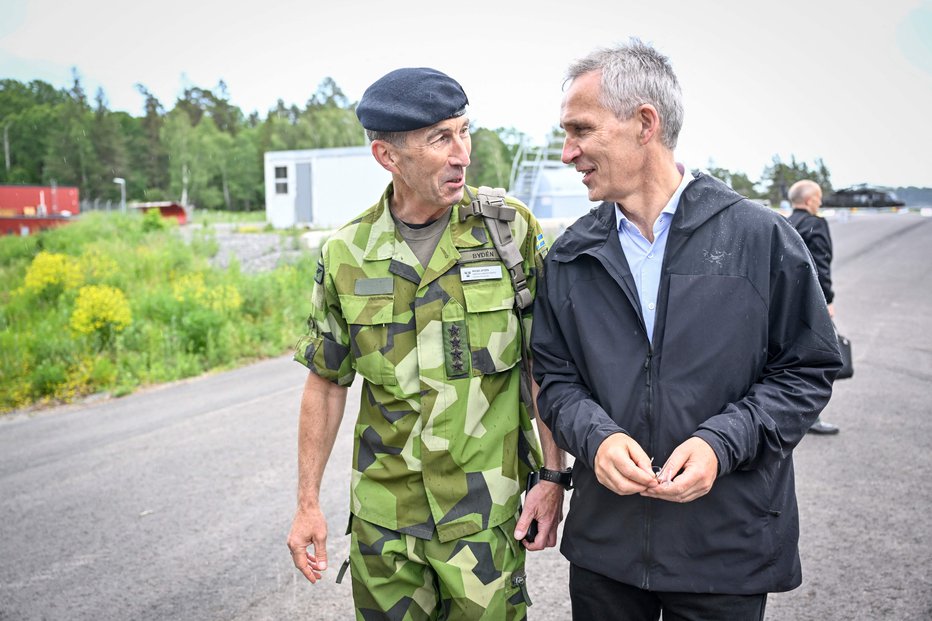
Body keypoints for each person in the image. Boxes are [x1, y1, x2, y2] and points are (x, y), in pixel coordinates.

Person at [530, 40, 842, 620]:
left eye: (582, 130)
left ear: (645, 123)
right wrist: (595, 437)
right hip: (607, 557)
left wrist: (722, 443)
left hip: (725, 552)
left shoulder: (762, 239)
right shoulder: (570, 255)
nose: (568, 152)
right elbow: (555, 378)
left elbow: (807, 371)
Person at [286, 67, 566, 620]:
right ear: (388, 157)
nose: (462, 153)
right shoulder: (347, 253)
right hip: (384, 523)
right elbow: (325, 382)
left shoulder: (508, 231)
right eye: (441, 138)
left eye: (465, 131)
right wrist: (307, 505)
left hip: (484, 519)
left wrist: (554, 477)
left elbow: (543, 366)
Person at [788, 179, 841, 435]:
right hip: (809, 304)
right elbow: (821, 264)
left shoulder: (783, 223)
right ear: (810, 201)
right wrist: (827, 300)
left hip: (783, 304)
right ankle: (811, 418)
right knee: (813, 360)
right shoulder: (815, 224)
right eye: (818, 199)